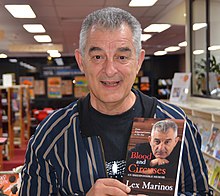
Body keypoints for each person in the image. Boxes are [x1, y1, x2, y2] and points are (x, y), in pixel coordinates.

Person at [19, 7, 211, 196]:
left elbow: (200, 192)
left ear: (138, 60)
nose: (110, 70)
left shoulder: (175, 124)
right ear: (81, 61)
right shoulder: (51, 135)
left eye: (122, 57)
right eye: (97, 57)